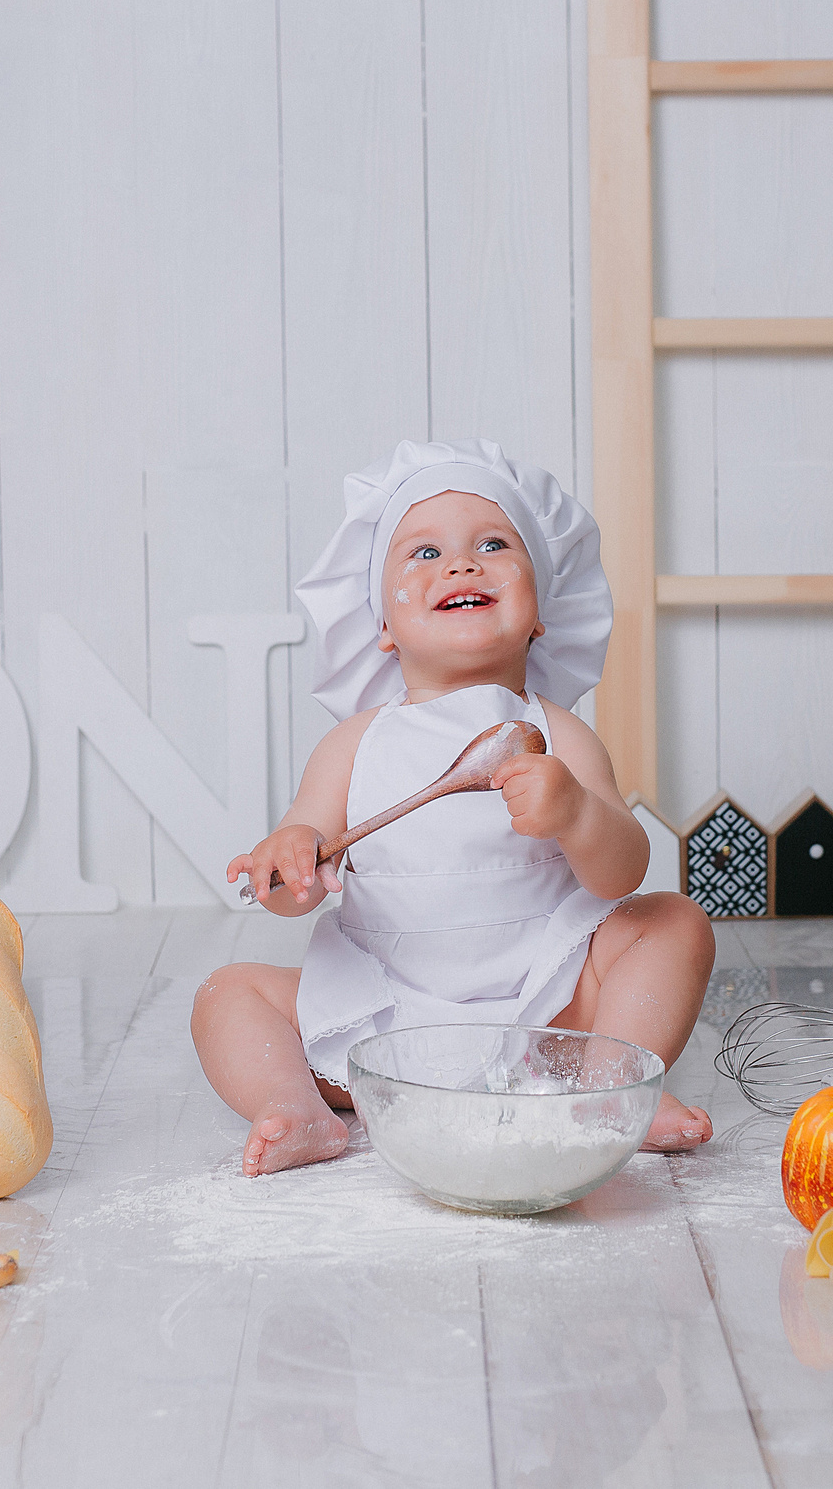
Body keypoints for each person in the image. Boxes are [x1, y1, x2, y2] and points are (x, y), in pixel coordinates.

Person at [190, 440, 716, 1176]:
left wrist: (575, 813)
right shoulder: (356, 743)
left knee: (675, 923)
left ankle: (609, 1088)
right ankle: (297, 1106)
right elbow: (303, 858)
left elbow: (622, 872)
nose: (462, 565)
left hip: (547, 1006)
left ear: (542, 612)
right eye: (425, 552)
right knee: (229, 994)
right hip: (385, 1012)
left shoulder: (558, 731)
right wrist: (291, 862)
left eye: (495, 545)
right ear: (381, 624)